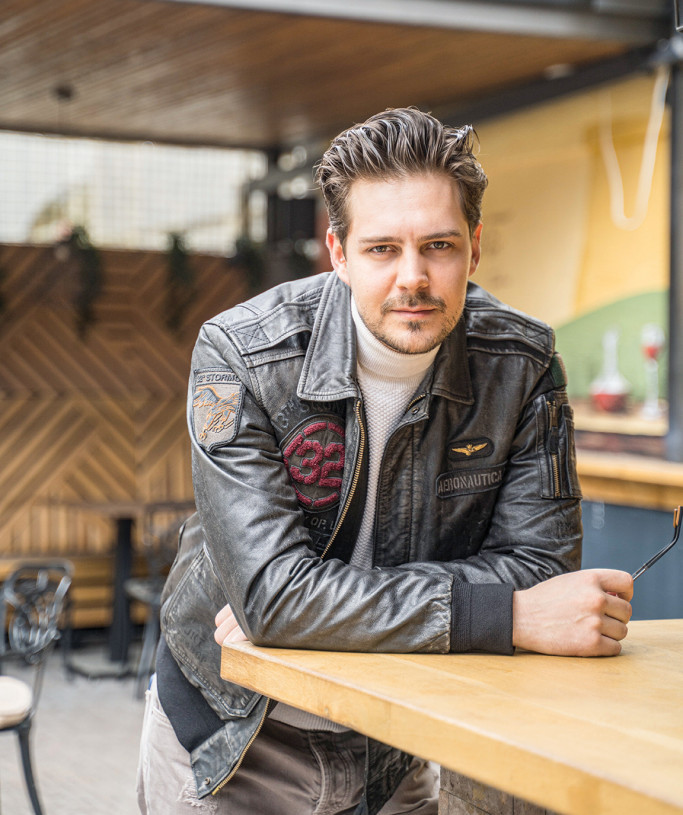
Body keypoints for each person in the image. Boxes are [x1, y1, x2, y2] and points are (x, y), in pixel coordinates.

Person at [137, 107, 633, 815]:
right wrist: (506, 614)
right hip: (231, 740)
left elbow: (540, 570)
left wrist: (310, 609)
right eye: (381, 249)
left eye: (438, 245)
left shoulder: (521, 363)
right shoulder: (242, 354)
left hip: (393, 745)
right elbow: (273, 598)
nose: (413, 277)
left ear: (474, 248)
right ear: (337, 252)